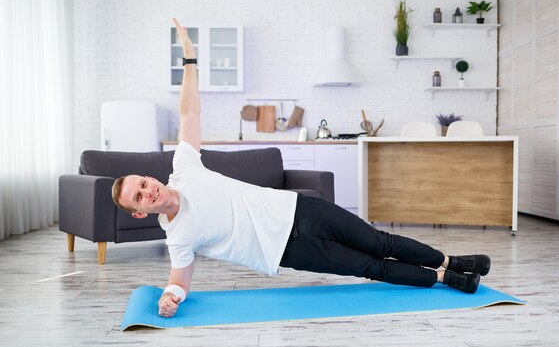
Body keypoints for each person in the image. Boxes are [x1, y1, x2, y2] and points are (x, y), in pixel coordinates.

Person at [111, 19, 491, 318]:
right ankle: (444, 278)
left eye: (144, 182)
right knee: (370, 267)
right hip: (286, 251)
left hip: (299, 209)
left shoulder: (184, 166)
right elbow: (179, 280)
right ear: (140, 210)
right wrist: (170, 298)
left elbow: (189, 111)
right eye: (139, 196)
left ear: (151, 177)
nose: (148, 190)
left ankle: (450, 260)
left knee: (382, 242)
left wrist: (191, 60)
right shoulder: (177, 238)